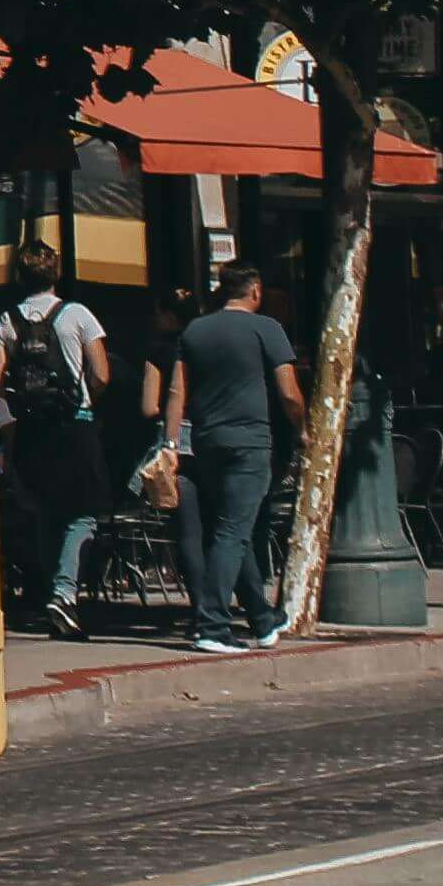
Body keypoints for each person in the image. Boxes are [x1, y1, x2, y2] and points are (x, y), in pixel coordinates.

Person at [159, 258, 306, 654]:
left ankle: (262, 619)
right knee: (233, 533)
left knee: (229, 529)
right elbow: (289, 393)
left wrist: (169, 444)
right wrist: (304, 428)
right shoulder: (267, 329)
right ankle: (212, 625)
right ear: (255, 291)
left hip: (206, 443)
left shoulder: (195, 330)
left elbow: (176, 392)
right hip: (250, 443)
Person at [0, 248, 115, 639]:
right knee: (83, 514)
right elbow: (102, 374)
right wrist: (84, 400)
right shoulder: (77, 315)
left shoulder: (6, 321)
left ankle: (48, 591)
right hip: (74, 427)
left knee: (45, 513)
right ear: (56, 274)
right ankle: (63, 595)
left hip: (31, 430)